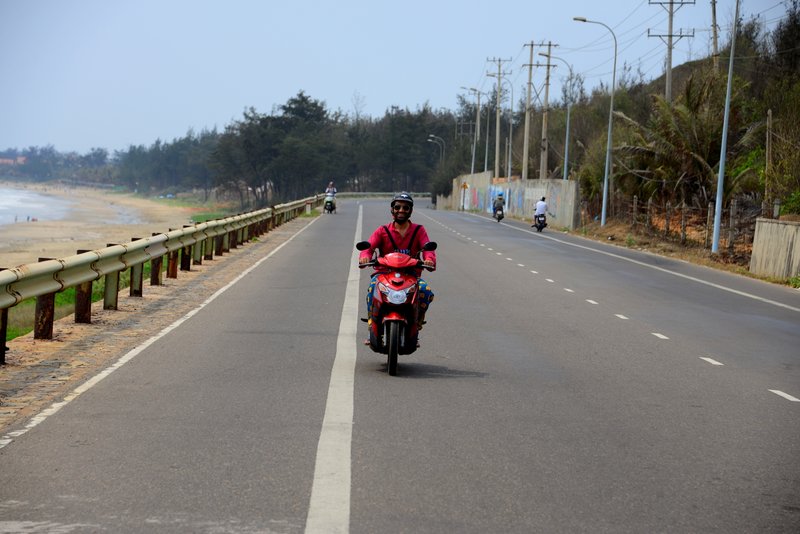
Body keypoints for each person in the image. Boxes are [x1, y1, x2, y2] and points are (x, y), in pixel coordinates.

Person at [359, 192, 436, 329]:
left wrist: (429, 259)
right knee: (372, 290)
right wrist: (365, 256)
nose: (401, 210)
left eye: (405, 208)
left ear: (410, 211)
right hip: (383, 275)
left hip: (411, 276)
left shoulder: (419, 230)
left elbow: (428, 249)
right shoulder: (382, 230)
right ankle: (373, 323)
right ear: (392, 210)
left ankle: (417, 321)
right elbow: (369, 247)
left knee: (425, 291)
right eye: (397, 207)